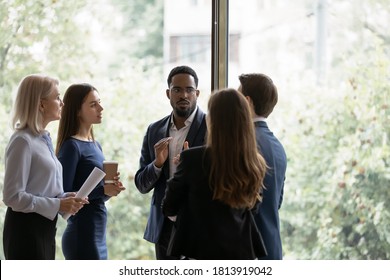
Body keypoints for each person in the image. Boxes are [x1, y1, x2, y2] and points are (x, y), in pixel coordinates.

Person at [161, 88, 268, 260]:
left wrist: (182, 169)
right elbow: (253, 208)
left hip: (201, 255)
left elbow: (168, 207)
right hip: (243, 254)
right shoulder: (255, 162)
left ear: (214, 121)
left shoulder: (192, 159)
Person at [2, 74, 88, 260]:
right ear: (41, 104)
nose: (62, 103)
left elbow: (40, 189)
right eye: (57, 97)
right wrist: (58, 203)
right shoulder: (22, 141)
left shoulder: (43, 139)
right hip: (25, 232)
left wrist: (65, 198)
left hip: (45, 229)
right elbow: (12, 196)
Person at [134, 65, 207, 259]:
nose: (183, 94)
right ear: (168, 93)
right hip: (164, 226)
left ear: (197, 93)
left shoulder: (213, 128)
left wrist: (192, 167)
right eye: (177, 89)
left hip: (200, 226)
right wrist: (157, 164)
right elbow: (141, 184)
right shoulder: (154, 130)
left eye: (189, 90)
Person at [56, 83, 125, 260]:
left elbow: (95, 197)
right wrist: (102, 190)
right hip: (82, 234)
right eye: (93, 104)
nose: (101, 108)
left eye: (99, 102)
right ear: (77, 111)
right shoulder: (71, 146)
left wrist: (110, 190)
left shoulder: (96, 145)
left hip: (98, 232)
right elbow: (64, 198)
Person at [238, 73, 287, 260]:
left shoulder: (244, 144)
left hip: (248, 249)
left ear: (247, 102)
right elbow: (277, 201)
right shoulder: (278, 147)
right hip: (272, 248)